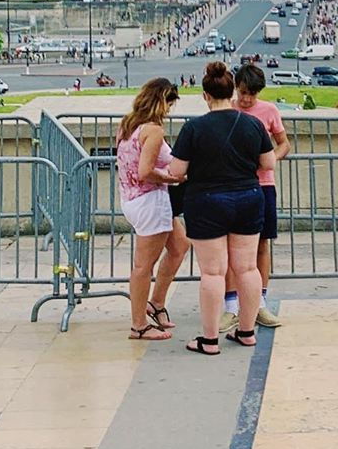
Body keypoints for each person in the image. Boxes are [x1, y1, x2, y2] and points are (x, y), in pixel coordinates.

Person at [166, 61, 275, 355]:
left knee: (213, 273)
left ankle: (210, 338)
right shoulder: (252, 124)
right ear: (232, 92)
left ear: (205, 95)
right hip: (248, 197)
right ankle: (247, 331)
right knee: (248, 268)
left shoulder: (194, 128)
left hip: (207, 200)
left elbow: (177, 171)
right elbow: (269, 162)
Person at [115, 78, 190, 341]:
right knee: (144, 266)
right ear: (163, 102)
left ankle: (155, 303)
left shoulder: (128, 125)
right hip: (152, 200)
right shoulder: (154, 131)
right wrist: (173, 179)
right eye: (170, 104)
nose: (170, 110)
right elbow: (146, 171)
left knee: (180, 245)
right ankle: (138, 325)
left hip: (133, 199)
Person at [220, 62, 290, 331]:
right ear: (236, 88)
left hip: (262, 184)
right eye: (244, 93)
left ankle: (259, 302)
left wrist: (272, 158)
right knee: (230, 248)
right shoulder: (228, 108)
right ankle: (232, 306)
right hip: (234, 184)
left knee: (262, 244)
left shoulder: (269, 111)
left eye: (253, 94)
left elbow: (284, 142)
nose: (247, 99)